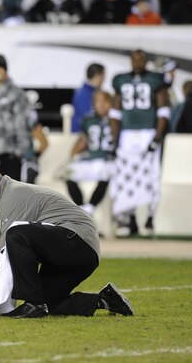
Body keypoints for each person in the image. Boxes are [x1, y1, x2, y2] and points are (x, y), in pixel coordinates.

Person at [0, 164, 135, 318]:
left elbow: (5, 247)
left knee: (15, 234)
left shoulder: (11, 196)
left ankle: (32, 304)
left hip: (77, 243)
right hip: (83, 252)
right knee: (48, 304)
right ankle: (105, 300)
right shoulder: (12, 193)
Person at [110, 49, 169, 236]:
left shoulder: (155, 79)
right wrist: (114, 137)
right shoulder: (121, 80)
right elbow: (115, 111)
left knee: (152, 174)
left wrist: (156, 137)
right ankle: (131, 219)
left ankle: (150, 218)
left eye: (141, 59)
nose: (137, 63)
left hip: (147, 131)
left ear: (146, 61)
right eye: (134, 59)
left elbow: (163, 111)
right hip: (127, 133)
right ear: (130, 60)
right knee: (126, 175)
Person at [61, 90, 116, 215]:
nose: (101, 105)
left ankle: (90, 206)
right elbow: (82, 141)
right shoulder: (89, 120)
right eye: (97, 101)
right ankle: (82, 208)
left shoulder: (115, 120)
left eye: (104, 101)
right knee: (68, 173)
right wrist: (74, 155)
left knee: (106, 174)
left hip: (109, 160)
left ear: (110, 103)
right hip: (92, 160)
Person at [71, 63, 105, 134]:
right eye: (103, 76)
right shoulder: (83, 93)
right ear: (97, 76)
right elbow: (86, 115)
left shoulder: (91, 92)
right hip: (82, 133)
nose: (103, 80)